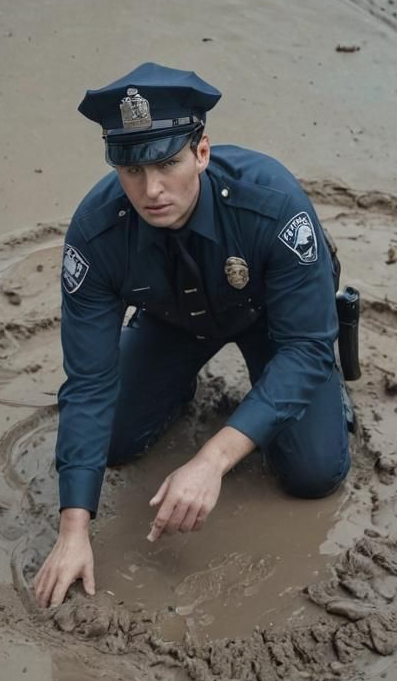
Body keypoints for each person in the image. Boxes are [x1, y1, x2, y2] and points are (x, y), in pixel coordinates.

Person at [34, 63, 352, 609]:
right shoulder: (97, 232)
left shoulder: (270, 204)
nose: (151, 189)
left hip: (273, 323)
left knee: (313, 474)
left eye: (166, 163)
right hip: (173, 321)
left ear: (200, 153)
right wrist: (73, 531)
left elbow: (305, 347)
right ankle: (175, 386)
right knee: (112, 443)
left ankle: (327, 398)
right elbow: (88, 383)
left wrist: (212, 459)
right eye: (130, 169)